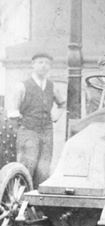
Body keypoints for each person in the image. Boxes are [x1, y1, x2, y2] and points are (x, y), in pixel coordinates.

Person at [6, 52, 66, 185]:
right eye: (40, 62)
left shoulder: (52, 86)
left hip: (47, 131)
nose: (44, 66)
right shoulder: (22, 86)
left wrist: (55, 116)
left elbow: (62, 104)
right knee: (27, 166)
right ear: (32, 65)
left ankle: (38, 202)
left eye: (47, 63)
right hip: (28, 130)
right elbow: (13, 112)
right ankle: (22, 200)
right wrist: (21, 132)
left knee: (44, 168)